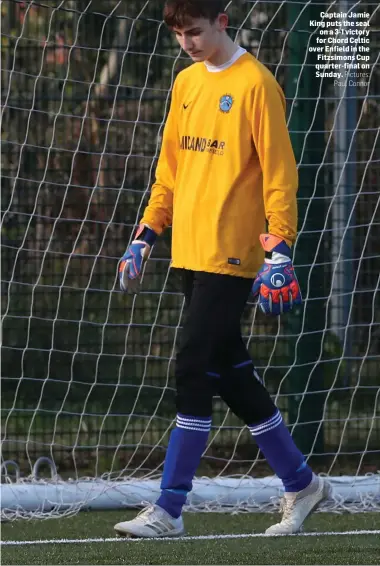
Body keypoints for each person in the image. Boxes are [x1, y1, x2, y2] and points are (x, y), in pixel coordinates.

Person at [114, 0, 330, 538]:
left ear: (223, 23)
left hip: (235, 255)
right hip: (188, 250)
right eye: (179, 34)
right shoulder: (186, 83)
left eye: (195, 31)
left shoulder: (257, 84)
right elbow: (169, 169)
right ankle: (302, 484)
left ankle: (169, 507)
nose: (187, 42)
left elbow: (281, 173)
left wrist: (279, 248)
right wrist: (144, 236)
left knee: (191, 365)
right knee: (231, 375)